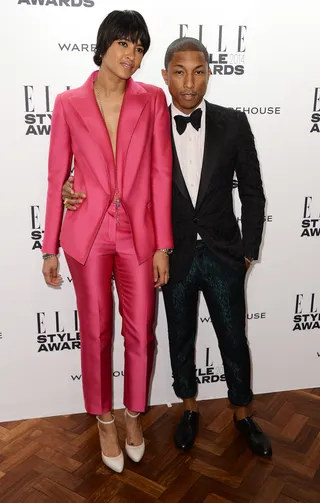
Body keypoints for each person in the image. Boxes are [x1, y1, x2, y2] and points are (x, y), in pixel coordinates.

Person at [61, 37, 272, 458]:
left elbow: (252, 191)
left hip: (224, 254)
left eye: (198, 71)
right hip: (170, 255)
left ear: (210, 74)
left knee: (233, 337)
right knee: (179, 338)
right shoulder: (149, 119)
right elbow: (115, 172)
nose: (189, 82)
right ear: (164, 76)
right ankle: (189, 409)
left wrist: (247, 251)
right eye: (179, 71)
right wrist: (74, 186)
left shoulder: (234, 123)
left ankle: (243, 414)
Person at [41, 10, 173, 474]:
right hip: (88, 234)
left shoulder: (154, 100)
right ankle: (103, 419)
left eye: (139, 48)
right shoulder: (68, 103)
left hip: (137, 234)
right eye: (124, 43)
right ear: (105, 44)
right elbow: (59, 175)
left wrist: (163, 245)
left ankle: (133, 414)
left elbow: (160, 174)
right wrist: (50, 245)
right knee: (95, 333)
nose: (132, 55)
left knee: (141, 331)